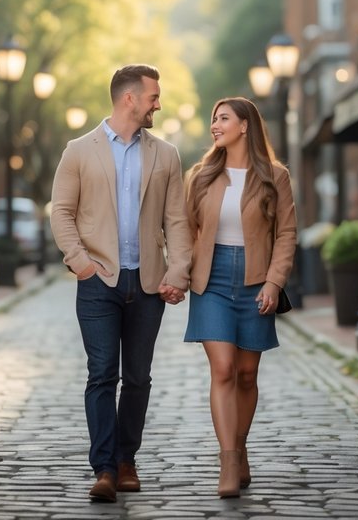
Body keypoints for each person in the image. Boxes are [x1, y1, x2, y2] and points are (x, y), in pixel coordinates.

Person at [50, 64, 192, 503]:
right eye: (153, 96)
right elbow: (61, 212)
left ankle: (127, 460)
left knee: (137, 378)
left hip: (147, 283)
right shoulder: (79, 150)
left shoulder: (166, 154)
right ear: (129, 98)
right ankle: (105, 468)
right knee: (101, 374)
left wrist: (177, 270)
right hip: (98, 282)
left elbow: (177, 219)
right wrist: (81, 263)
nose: (158, 103)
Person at [182, 96, 297, 498]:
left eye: (223, 118)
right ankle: (228, 459)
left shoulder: (274, 177)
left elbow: (285, 234)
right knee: (225, 369)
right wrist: (178, 274)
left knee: (248, 375)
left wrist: (273, 282)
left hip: (256, 281)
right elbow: (185, 231)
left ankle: (240, 445)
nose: (214, 125)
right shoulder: (200, 176)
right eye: (213, 119)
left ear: (245, 125)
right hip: (210, 281)